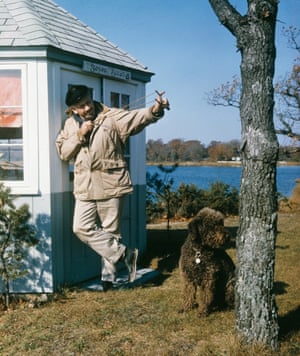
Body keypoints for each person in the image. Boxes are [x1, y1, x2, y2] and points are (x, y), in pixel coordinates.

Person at [56, 85, 169, 291]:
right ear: (73, 109)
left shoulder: (112, 117)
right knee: (81, 228)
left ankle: (107, 280)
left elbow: (137, 118)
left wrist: (155, 110)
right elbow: (64, 153)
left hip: (111, 183)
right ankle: (125, 254)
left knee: (111, 232)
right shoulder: (70, 125)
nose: (88, 107)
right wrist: (79, 134)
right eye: (81, 106)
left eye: (89, 102)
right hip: (84, 187)